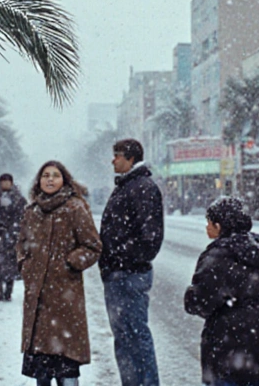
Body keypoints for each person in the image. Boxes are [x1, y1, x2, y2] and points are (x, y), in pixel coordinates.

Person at [185, 197, 259, 386]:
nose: (206, 227)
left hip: (227, 341)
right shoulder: (252, 250)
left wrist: (190, 296)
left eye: (209, 222)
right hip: (255, 337)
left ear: (219, 225)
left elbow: (202, 301)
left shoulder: (218, 255)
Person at [17, 161, 102, 386]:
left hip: (66, 299)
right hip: (37, 300)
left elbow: (93, 246)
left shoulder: (75, 208)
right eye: (46, 175)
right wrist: (25, 267)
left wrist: (70, 263)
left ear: (64, 179)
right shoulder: (32, 211)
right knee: (41, 371)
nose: (50, 179)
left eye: (55, 175)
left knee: (66, 368)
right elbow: (21, 245)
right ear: (39, 180)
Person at [99, 138, 164, 386]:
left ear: (130, 158)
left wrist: (118, 259)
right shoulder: (128, 186)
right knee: (125, 339)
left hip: (128, 275)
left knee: (136, 338)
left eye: (117, 155)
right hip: (119, 274)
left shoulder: (142, 187)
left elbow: (150, 239)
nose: (113, 160)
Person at [0, 173, 27, 301]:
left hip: (13, 236)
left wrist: (15, 227)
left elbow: (23, 214)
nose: (6, 184)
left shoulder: (18, 198)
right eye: (4, 182)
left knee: (11, 264)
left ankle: (9, 291)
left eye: (8, 182)